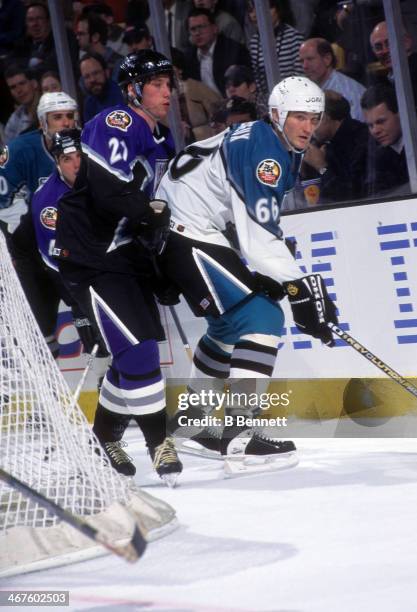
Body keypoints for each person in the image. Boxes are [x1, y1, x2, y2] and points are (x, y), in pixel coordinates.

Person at [156, 76, 339, 473]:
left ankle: (192, 425)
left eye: (314, 117)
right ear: (276, 115)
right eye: (298, 117)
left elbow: (254, 225)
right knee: (263, 317)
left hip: (184, 227)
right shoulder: (267, 154)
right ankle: (239, 436)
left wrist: (292, 282)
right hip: (186, 230)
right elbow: (258, 243)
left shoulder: (265, 139)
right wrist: (301, 289)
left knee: (226, 326)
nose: (307, 126)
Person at [54, 50, 183, 485]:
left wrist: (157, 263)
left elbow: (148, 212)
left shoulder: (161, 138)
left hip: (122, 254)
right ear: (132, 91)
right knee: (142, 349)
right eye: (157, 85)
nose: (168, 92)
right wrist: (150, 211)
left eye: (170, 84)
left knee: (132, 354)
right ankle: (157, 441)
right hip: (91, 254)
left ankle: (102, 437)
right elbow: (110, 189)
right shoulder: (118, 122)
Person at [11, 128, 108, 377]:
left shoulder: (102, 177)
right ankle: (46, 406)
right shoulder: (49, 201)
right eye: (67, 159)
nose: (76, 164)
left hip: (82, 262)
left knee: (107, 335)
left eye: (79, 156)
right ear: (56, 162)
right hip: (41, 266)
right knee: (68, 333)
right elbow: (59, 260)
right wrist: (83, 299)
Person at [0, 91, 79, 357]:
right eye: (57, 117)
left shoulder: (87, 148)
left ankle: (108, 384)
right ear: (42, 123)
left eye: (69, 116)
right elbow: (2, 200)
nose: (66, 122)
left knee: (91, 326)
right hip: (32, 254)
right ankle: (50, 393)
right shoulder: (20, 150)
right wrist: (12, 240)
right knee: (41, 336)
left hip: (73, 253)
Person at [302, 90, 369, 204]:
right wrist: (306, 169)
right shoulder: (327, 143)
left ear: (325, 117)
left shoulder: (360, 139)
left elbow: (351, 195)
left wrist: (321, 166)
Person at [248, 0, 304, 109]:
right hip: (266, 104)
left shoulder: (293, 37)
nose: (255, 15)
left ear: (278, 10)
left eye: (267, 9)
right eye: (251, 11)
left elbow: (300, 76)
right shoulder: (254, 42)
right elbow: (258, 81)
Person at [185, 8, 251, 97]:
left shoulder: (233, 50)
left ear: (215, 28)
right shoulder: (189, 57)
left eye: (201, 27)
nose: (197, 33)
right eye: (193, 29)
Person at [299, 37, 366, 122]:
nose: (304, 66)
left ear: (327, 59)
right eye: (301, 61)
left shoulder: (348, 92)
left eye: (310, 59)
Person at [360, 82, 409, 197]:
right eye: (370, 125)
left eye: (381, 122)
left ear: (400, 113)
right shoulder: (376, 156)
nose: (375, 131)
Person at [370, 20, 417, 111]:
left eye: (390, 43)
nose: (385, 50)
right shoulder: (382, 84)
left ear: (407, 42)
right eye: (378, 47)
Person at [79, 52, 124, 122]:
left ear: (107, 72)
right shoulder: (88, 103)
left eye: (96, 73)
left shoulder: (123, 95)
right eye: (87, 77)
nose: (92, 80)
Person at [4, 65, 40, 143]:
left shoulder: (49, 109)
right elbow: (6, 152)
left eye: (22, 83)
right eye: (13, 87)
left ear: (34, 83)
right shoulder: (15, 118)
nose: (19, 90)